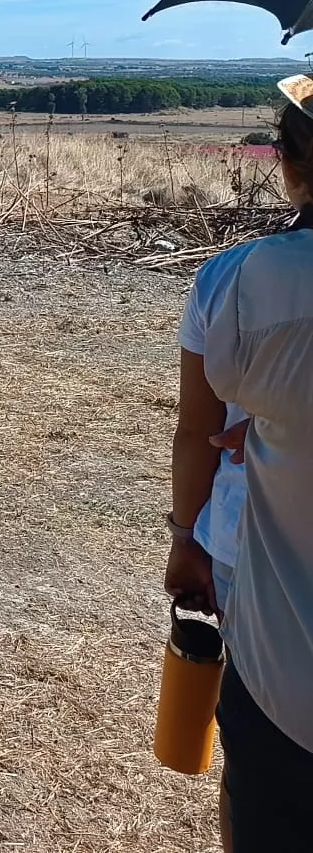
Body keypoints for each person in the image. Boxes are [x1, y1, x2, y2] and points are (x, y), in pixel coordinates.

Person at [166, 75, 313, 849]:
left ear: (288, 163)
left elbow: (198, 432)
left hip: (264, 595)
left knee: (263, 791)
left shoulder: (236, 281)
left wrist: (185, 535)